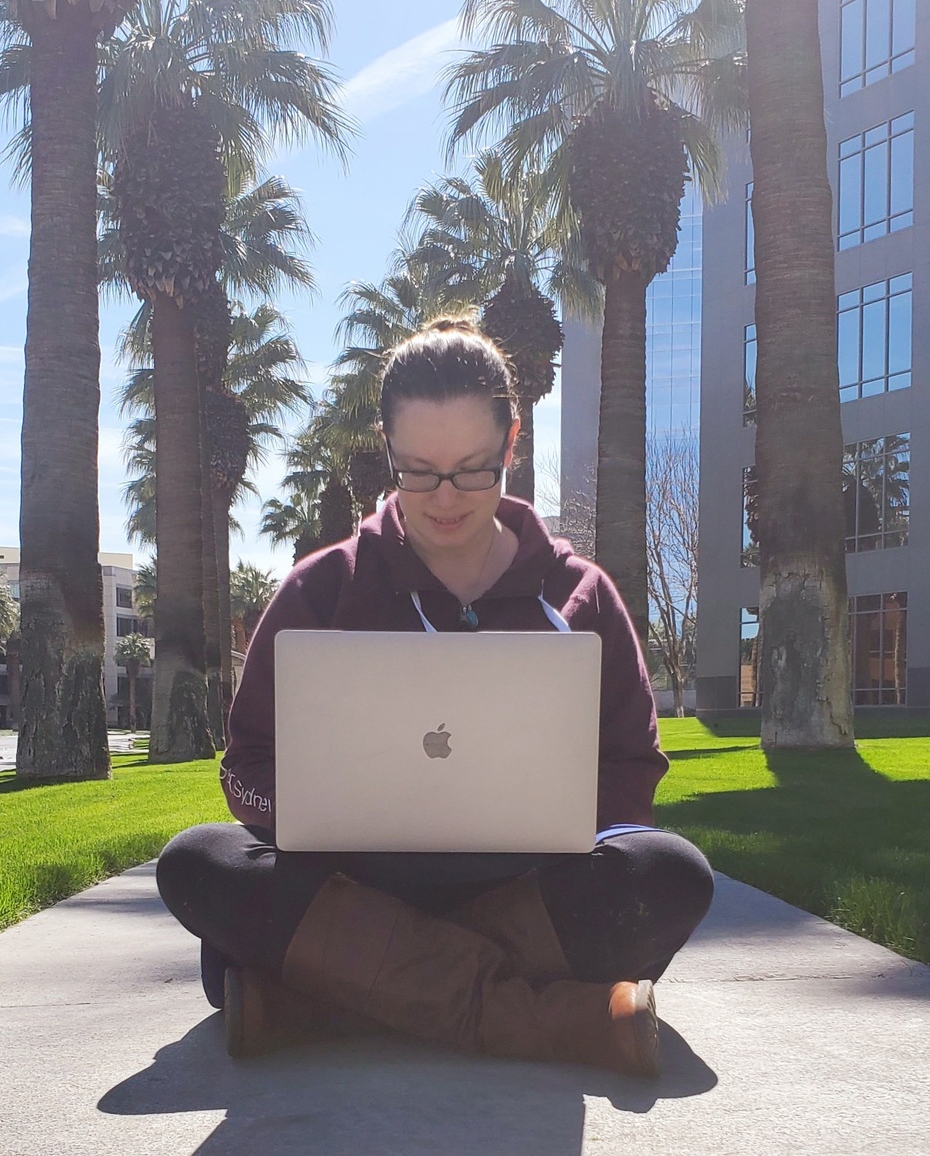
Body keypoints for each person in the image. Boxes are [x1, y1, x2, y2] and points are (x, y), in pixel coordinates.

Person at [157, 318, 714, 1078]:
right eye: (418, 471)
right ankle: (558, 1018)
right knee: (199, 861)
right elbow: (244, 766)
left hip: (523, 889)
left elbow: (632, 771)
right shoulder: (322, 588)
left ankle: (321, 1000)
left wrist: (554, 817)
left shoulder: (579, 594)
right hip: (357, 883)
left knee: (670, 874)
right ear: (388, 451)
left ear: (511, 444)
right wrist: (312, 807)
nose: (445, 497)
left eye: (472, 469)